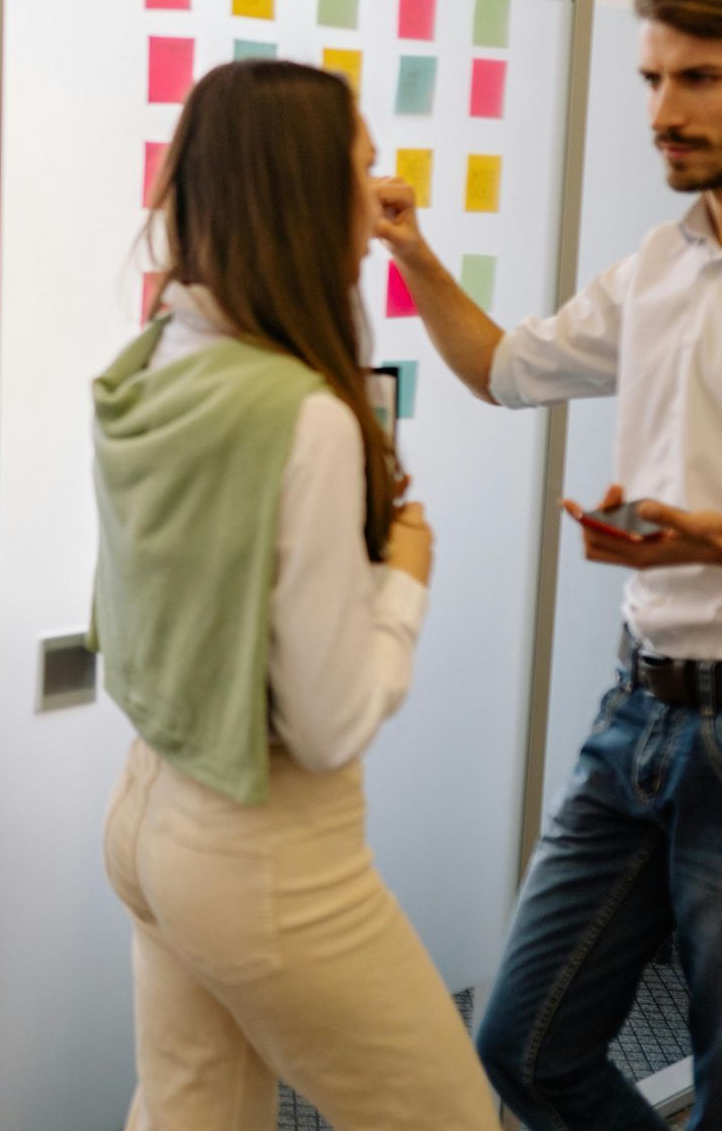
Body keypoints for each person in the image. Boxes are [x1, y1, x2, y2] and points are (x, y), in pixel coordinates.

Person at [382, 0, 722, 1128]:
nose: (665, 110)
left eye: (700, 78)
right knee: (523, 1044)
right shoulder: (662, 262)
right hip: (637, 716)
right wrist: (408, 246)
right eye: (653, 79)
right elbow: (501, 367)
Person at [89, 60, 499, 1130]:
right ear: (304, 192)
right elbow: (327, 722)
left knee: (189, 1116)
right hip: (266, 848)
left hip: (147, 815)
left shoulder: (156, 355)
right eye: (362, 169)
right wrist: (403, 579)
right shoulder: (303, 415)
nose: (381, 197)